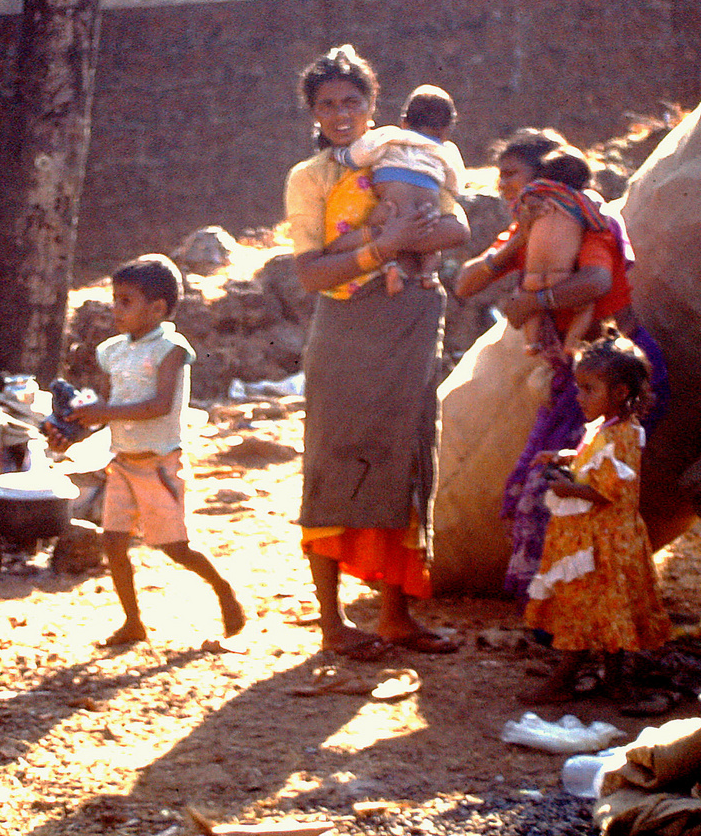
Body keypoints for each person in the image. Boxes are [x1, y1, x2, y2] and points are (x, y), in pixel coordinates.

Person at [284, 45, 470, 660]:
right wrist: (382, 246)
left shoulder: (406, 154)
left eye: (352, 101)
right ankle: (333, 623)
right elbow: (311, 274)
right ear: (313, 113)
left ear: (372, 105)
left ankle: (395, 617)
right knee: (333, 460)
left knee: (405, 457)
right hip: (344, 329)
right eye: (328, 104)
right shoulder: (309, 179)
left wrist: (403, 238)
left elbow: (454, 226)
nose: (341, 114)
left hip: (411, 326)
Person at [453, 128, 666, 601]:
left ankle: (580, 614)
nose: (503, 185)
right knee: (556, 486)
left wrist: (535, 300)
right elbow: (464, 285)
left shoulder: (584, 219)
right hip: (583, 377)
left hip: (618, 372)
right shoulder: (537, 226)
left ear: (546, 177)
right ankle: (568, 611)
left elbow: (595, 280)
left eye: (512, 174)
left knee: (574, 492)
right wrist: (517, 245)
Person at [56, 254, 245, 647]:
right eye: (114, 299)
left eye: (126, 301)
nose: (115, 309)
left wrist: (102, 411)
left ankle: (223, 588)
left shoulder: (171, 349)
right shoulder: (114, 350)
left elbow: (158, 405)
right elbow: (109, 402)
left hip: (159, 463)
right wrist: (73, 424)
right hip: (122, 462)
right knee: (113, 542)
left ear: (157, 309)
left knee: (174, 547)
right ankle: (132, 623)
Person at [521, 332, 671, 704]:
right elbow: (594, 463)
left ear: (620, 392)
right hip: (595, 539)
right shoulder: (605, 429)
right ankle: (613, 681)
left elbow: (608, 490)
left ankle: (564, 679)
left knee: (585, 608)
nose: (579, 396)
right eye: (579, 387)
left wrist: (567, 489)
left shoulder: (624, 435)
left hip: (602, 543)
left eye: (589, 389)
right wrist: (563, 457)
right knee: (606, 611)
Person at [326, 84, 466, 293]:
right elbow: (455, 185)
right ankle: (429, 274)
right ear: (446, 130)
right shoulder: (447, 150)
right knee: (430, 242)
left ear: (404, 121)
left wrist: (339, 155)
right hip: (426, 209)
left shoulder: (389, 136)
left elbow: (359, 155)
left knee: (375, 225)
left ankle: (390, 267)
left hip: (391, 207)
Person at [514, 146, 613, 356]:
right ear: (584, 183)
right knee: (585, 308)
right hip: (560, 276)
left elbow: (518, 208)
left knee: (534, 309)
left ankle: (531, 344)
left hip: (531, 278)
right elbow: (599, 222)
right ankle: (572, 343)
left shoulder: (533, 196)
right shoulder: (579, 199)